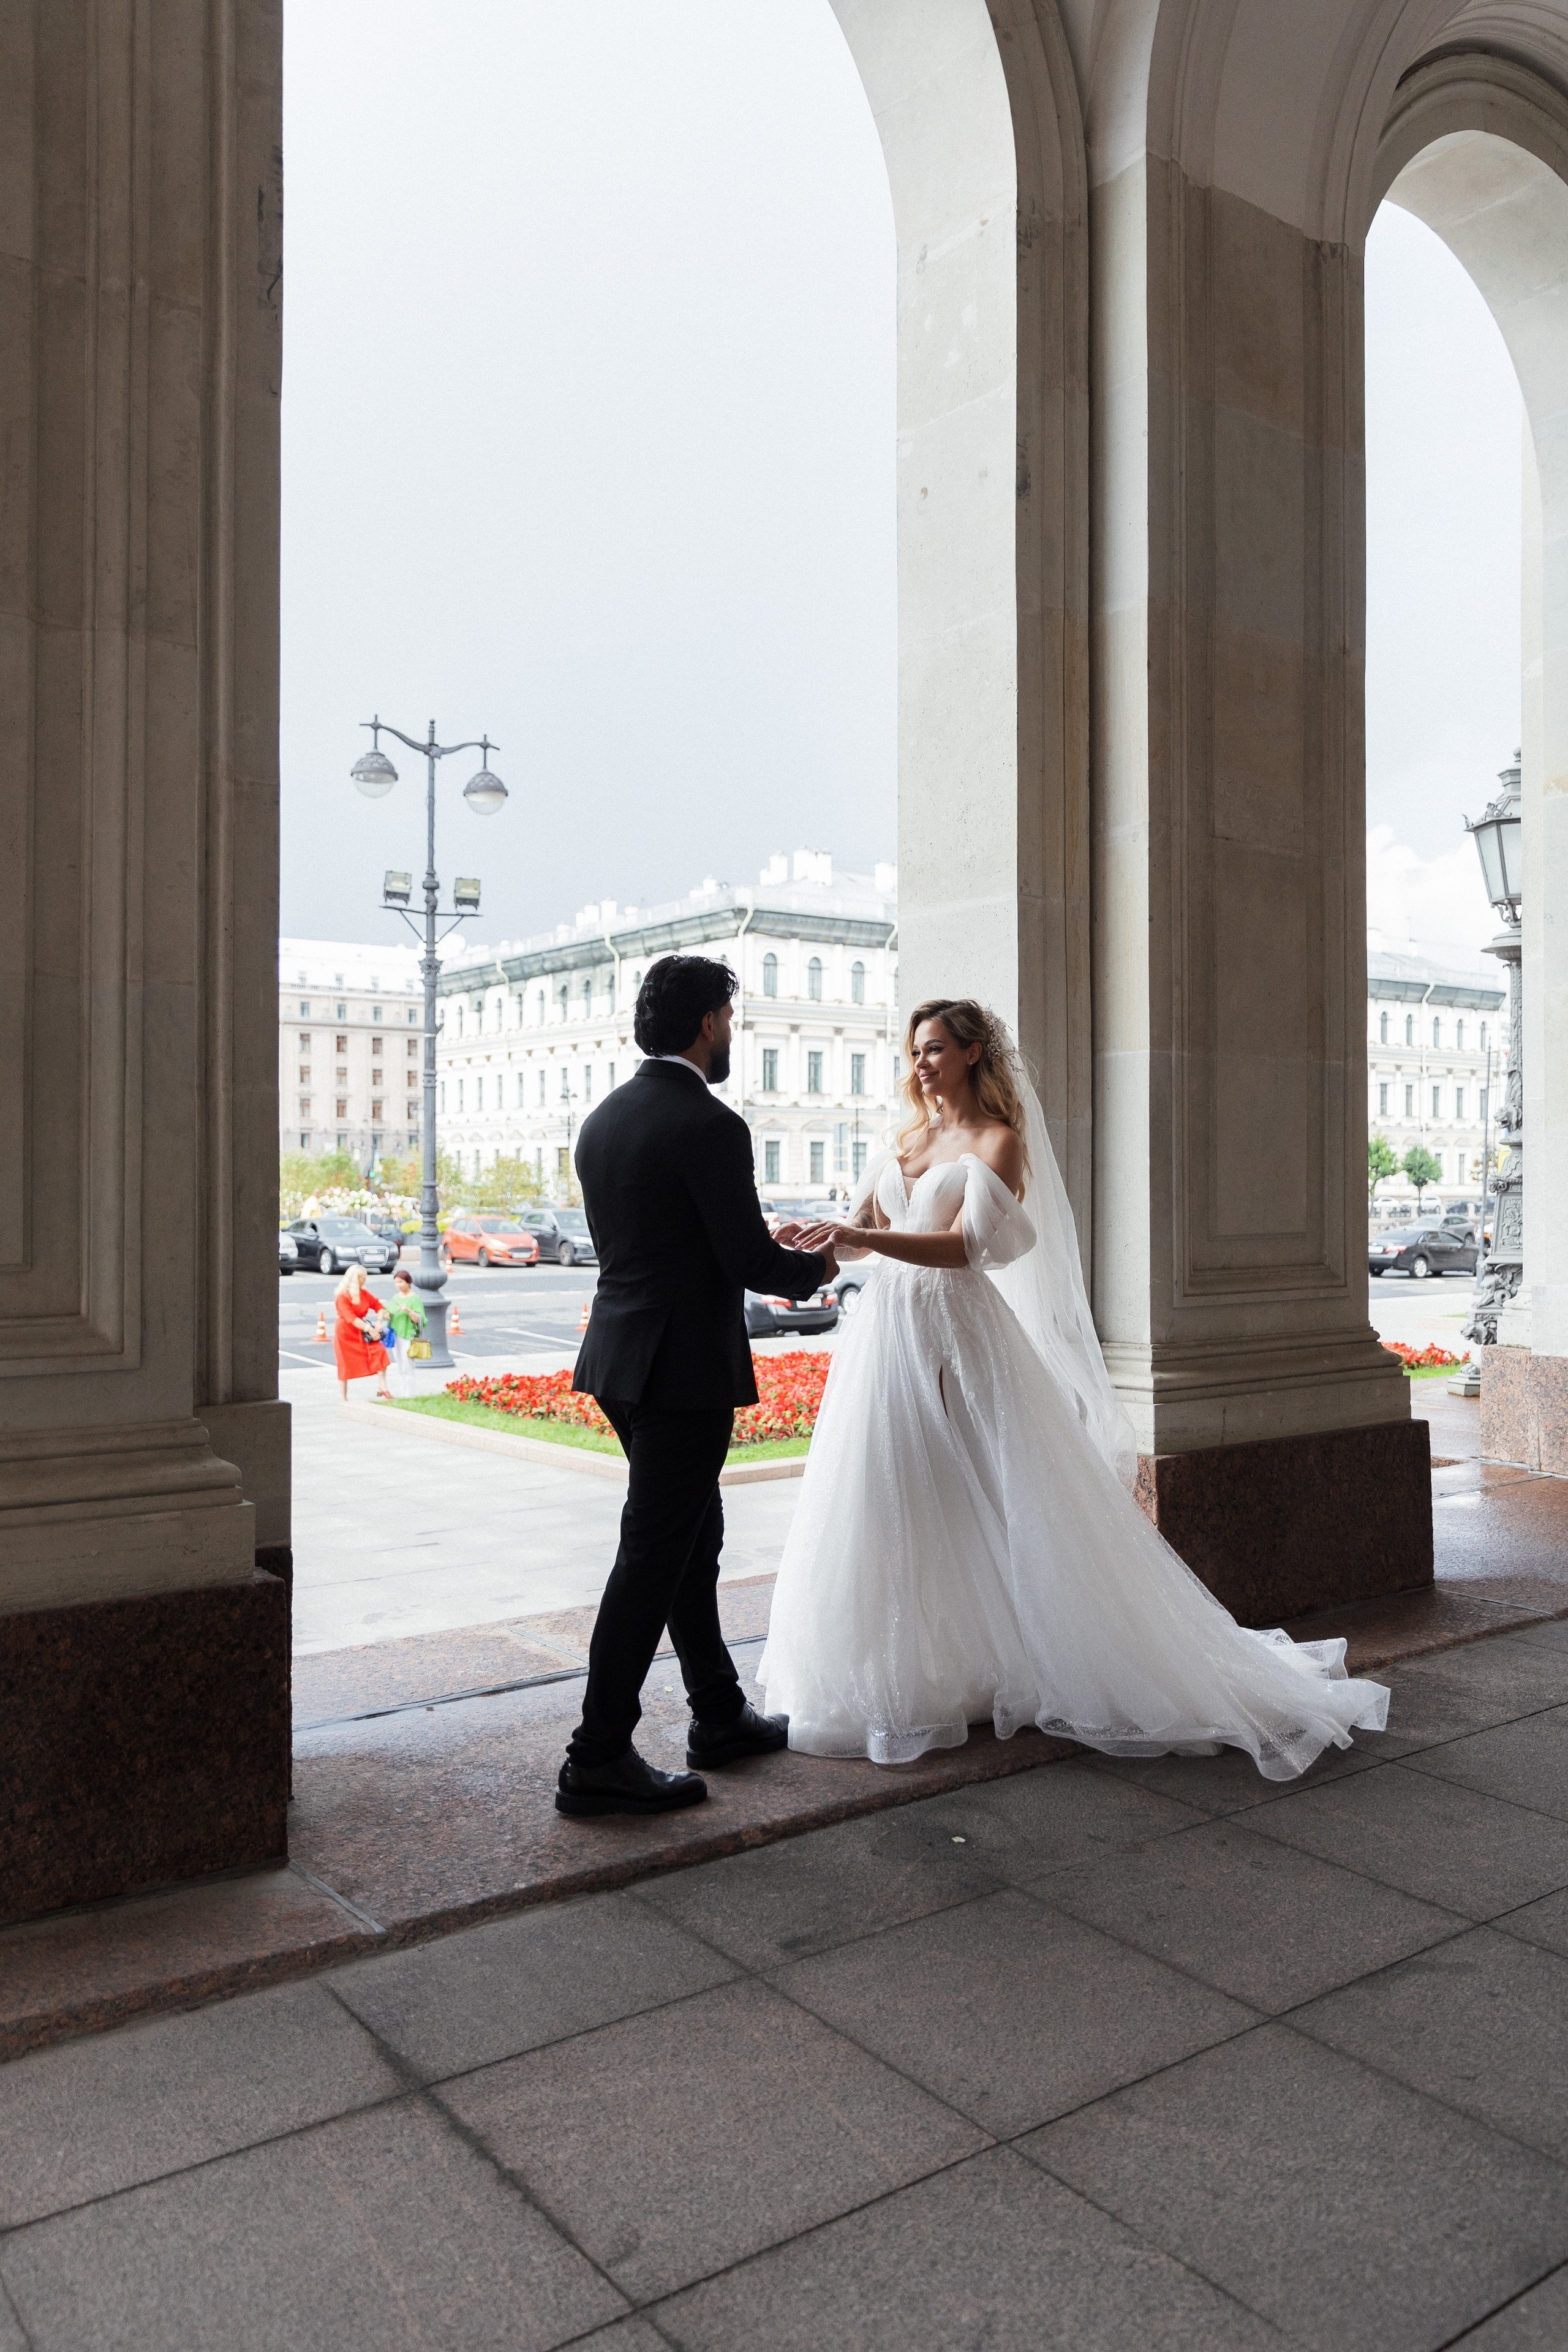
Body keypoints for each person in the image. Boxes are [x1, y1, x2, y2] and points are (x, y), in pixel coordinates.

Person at [758, 998, 1390, 1778]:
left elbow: (965, 1250)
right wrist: (813, 1238)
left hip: (954, 1328)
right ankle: (932, 1665)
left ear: (972, 1053)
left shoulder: (998, 1142)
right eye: (915, 1051)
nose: (919, 1063)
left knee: (973, 1487)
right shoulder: (908, 1140)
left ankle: (1012, 1659)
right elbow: (855, 1238)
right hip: (886, 1333)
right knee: (895, 1491)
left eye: (933, 1049)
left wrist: (863, 1237)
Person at [557, 954, 837, 1819]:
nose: (732, 1035)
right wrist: (832, 1253)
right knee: (653, 1555)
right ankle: (596, 1755)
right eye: (730, 1017)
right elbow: (752, 1264)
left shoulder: (603, 1119)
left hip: (621, 1361)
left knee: (689, 1540)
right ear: (710, 1021)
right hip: (681, 1370)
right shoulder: (711, 1124)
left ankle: (717, 1714)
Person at [333, 1263, 392, 1403]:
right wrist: (370, 1329)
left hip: (361, 1331)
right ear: (355, 1278)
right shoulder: (343, 1297)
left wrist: (379, 1321)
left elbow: (378, 1306)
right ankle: (343, 1398)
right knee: (345, 1364)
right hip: (345, 1333)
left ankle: (382, 1386)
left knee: (380, 1351)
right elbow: (351, 1318)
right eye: (362, 1278)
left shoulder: (364, 1293)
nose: (365, 1280)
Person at [385, 1268, 426, 1396]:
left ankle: (409, 1395)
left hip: (408, 1335)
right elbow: (387, 1313)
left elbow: (420, 1319)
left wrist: (408, 1310)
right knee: (400, 1365)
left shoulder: (415, 1299)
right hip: (395, 1335)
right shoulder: (395, 1298)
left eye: (401, 1282)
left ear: (408, 1282)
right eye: (396, 1282)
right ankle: (404, 1393)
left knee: (408, 1365)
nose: (399, 1285)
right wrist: (388, 1314)